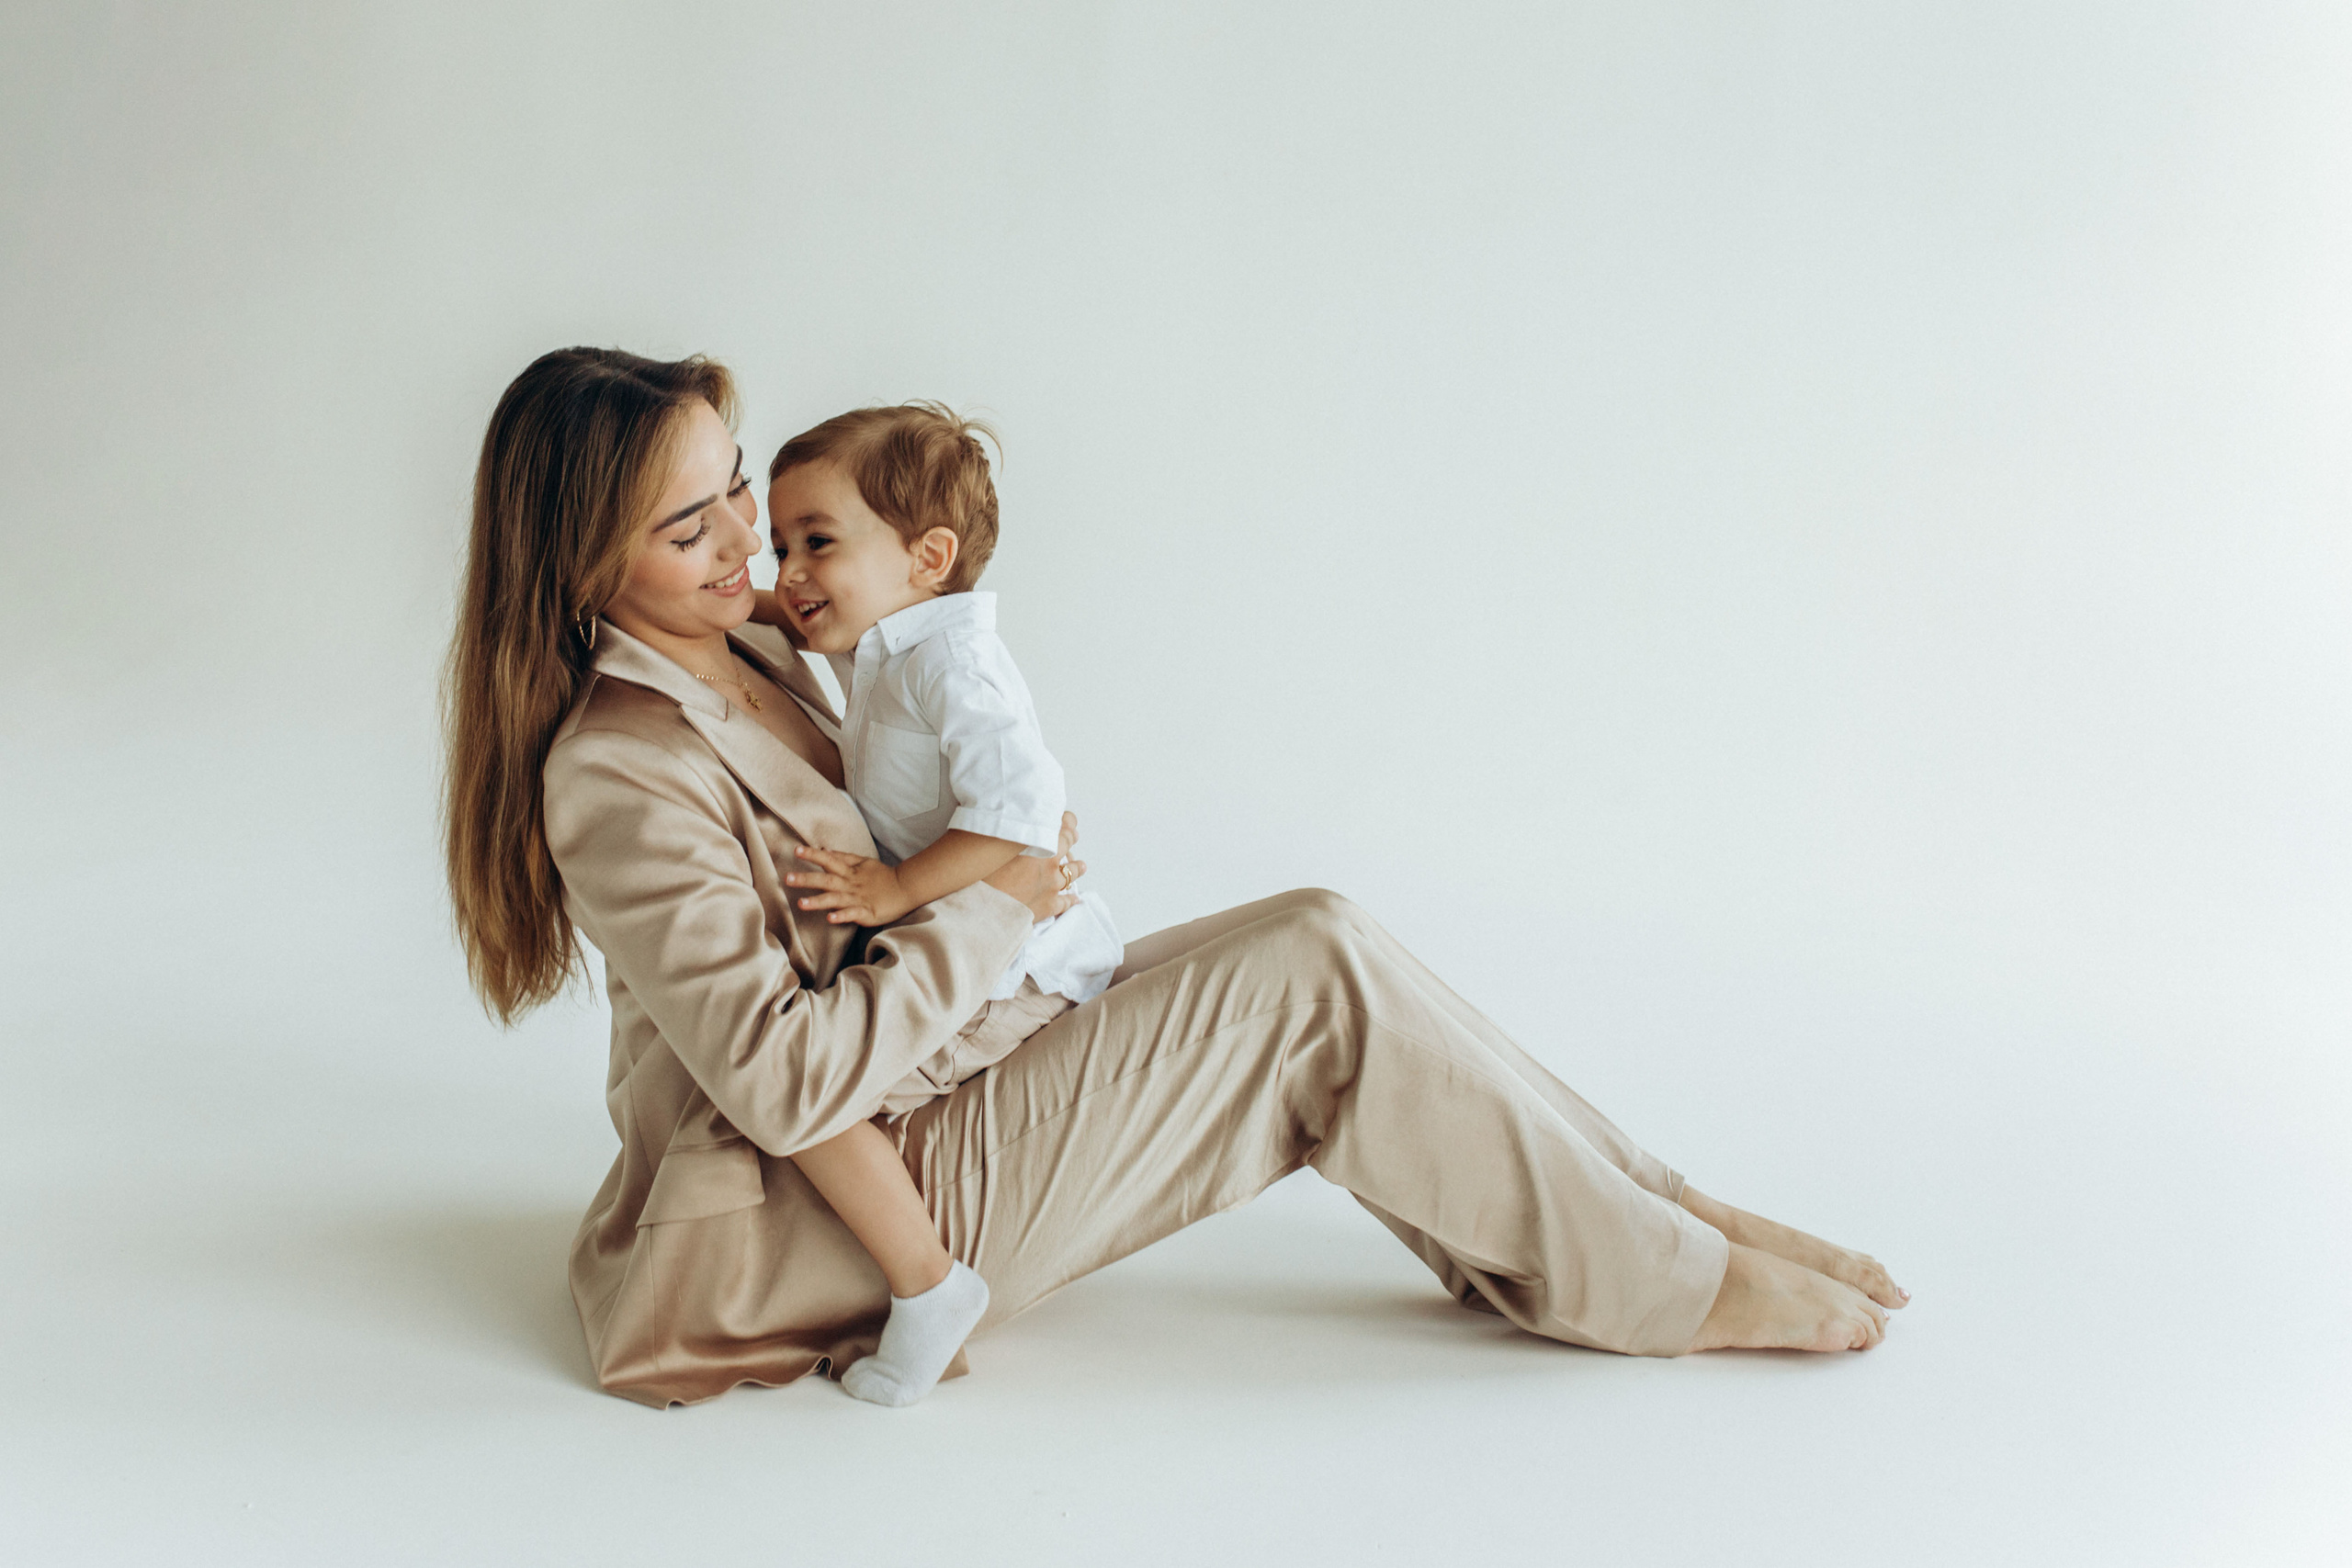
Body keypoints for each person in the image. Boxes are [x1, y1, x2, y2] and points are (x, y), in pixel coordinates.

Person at [443, 346, 1906, 1411]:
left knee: (1318, 929)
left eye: (739, 492)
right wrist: (995, 902)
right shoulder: (614, 769)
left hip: (938, 1064)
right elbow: (778, 1077)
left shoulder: (751, 637)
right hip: (799, 1209)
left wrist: (994, 852)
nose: (745, 545)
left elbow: (923, 664)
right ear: (578, 565)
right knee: (1309, 989)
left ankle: (1664, 1208)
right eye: (686, 528)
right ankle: (1662, 1277)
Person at [729, 402, 1125, 1405]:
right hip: (972, 945)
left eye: (817, 542)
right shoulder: (888, 641)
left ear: (929, 556)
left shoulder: (953, 663)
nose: (791, 572)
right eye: (780, 546)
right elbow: (792, 617)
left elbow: (1026, 810)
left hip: (1022, 958)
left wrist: (898, 887)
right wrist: (739, 598)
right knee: (807, 1081)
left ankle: (931, 1288)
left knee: (814, 1098)